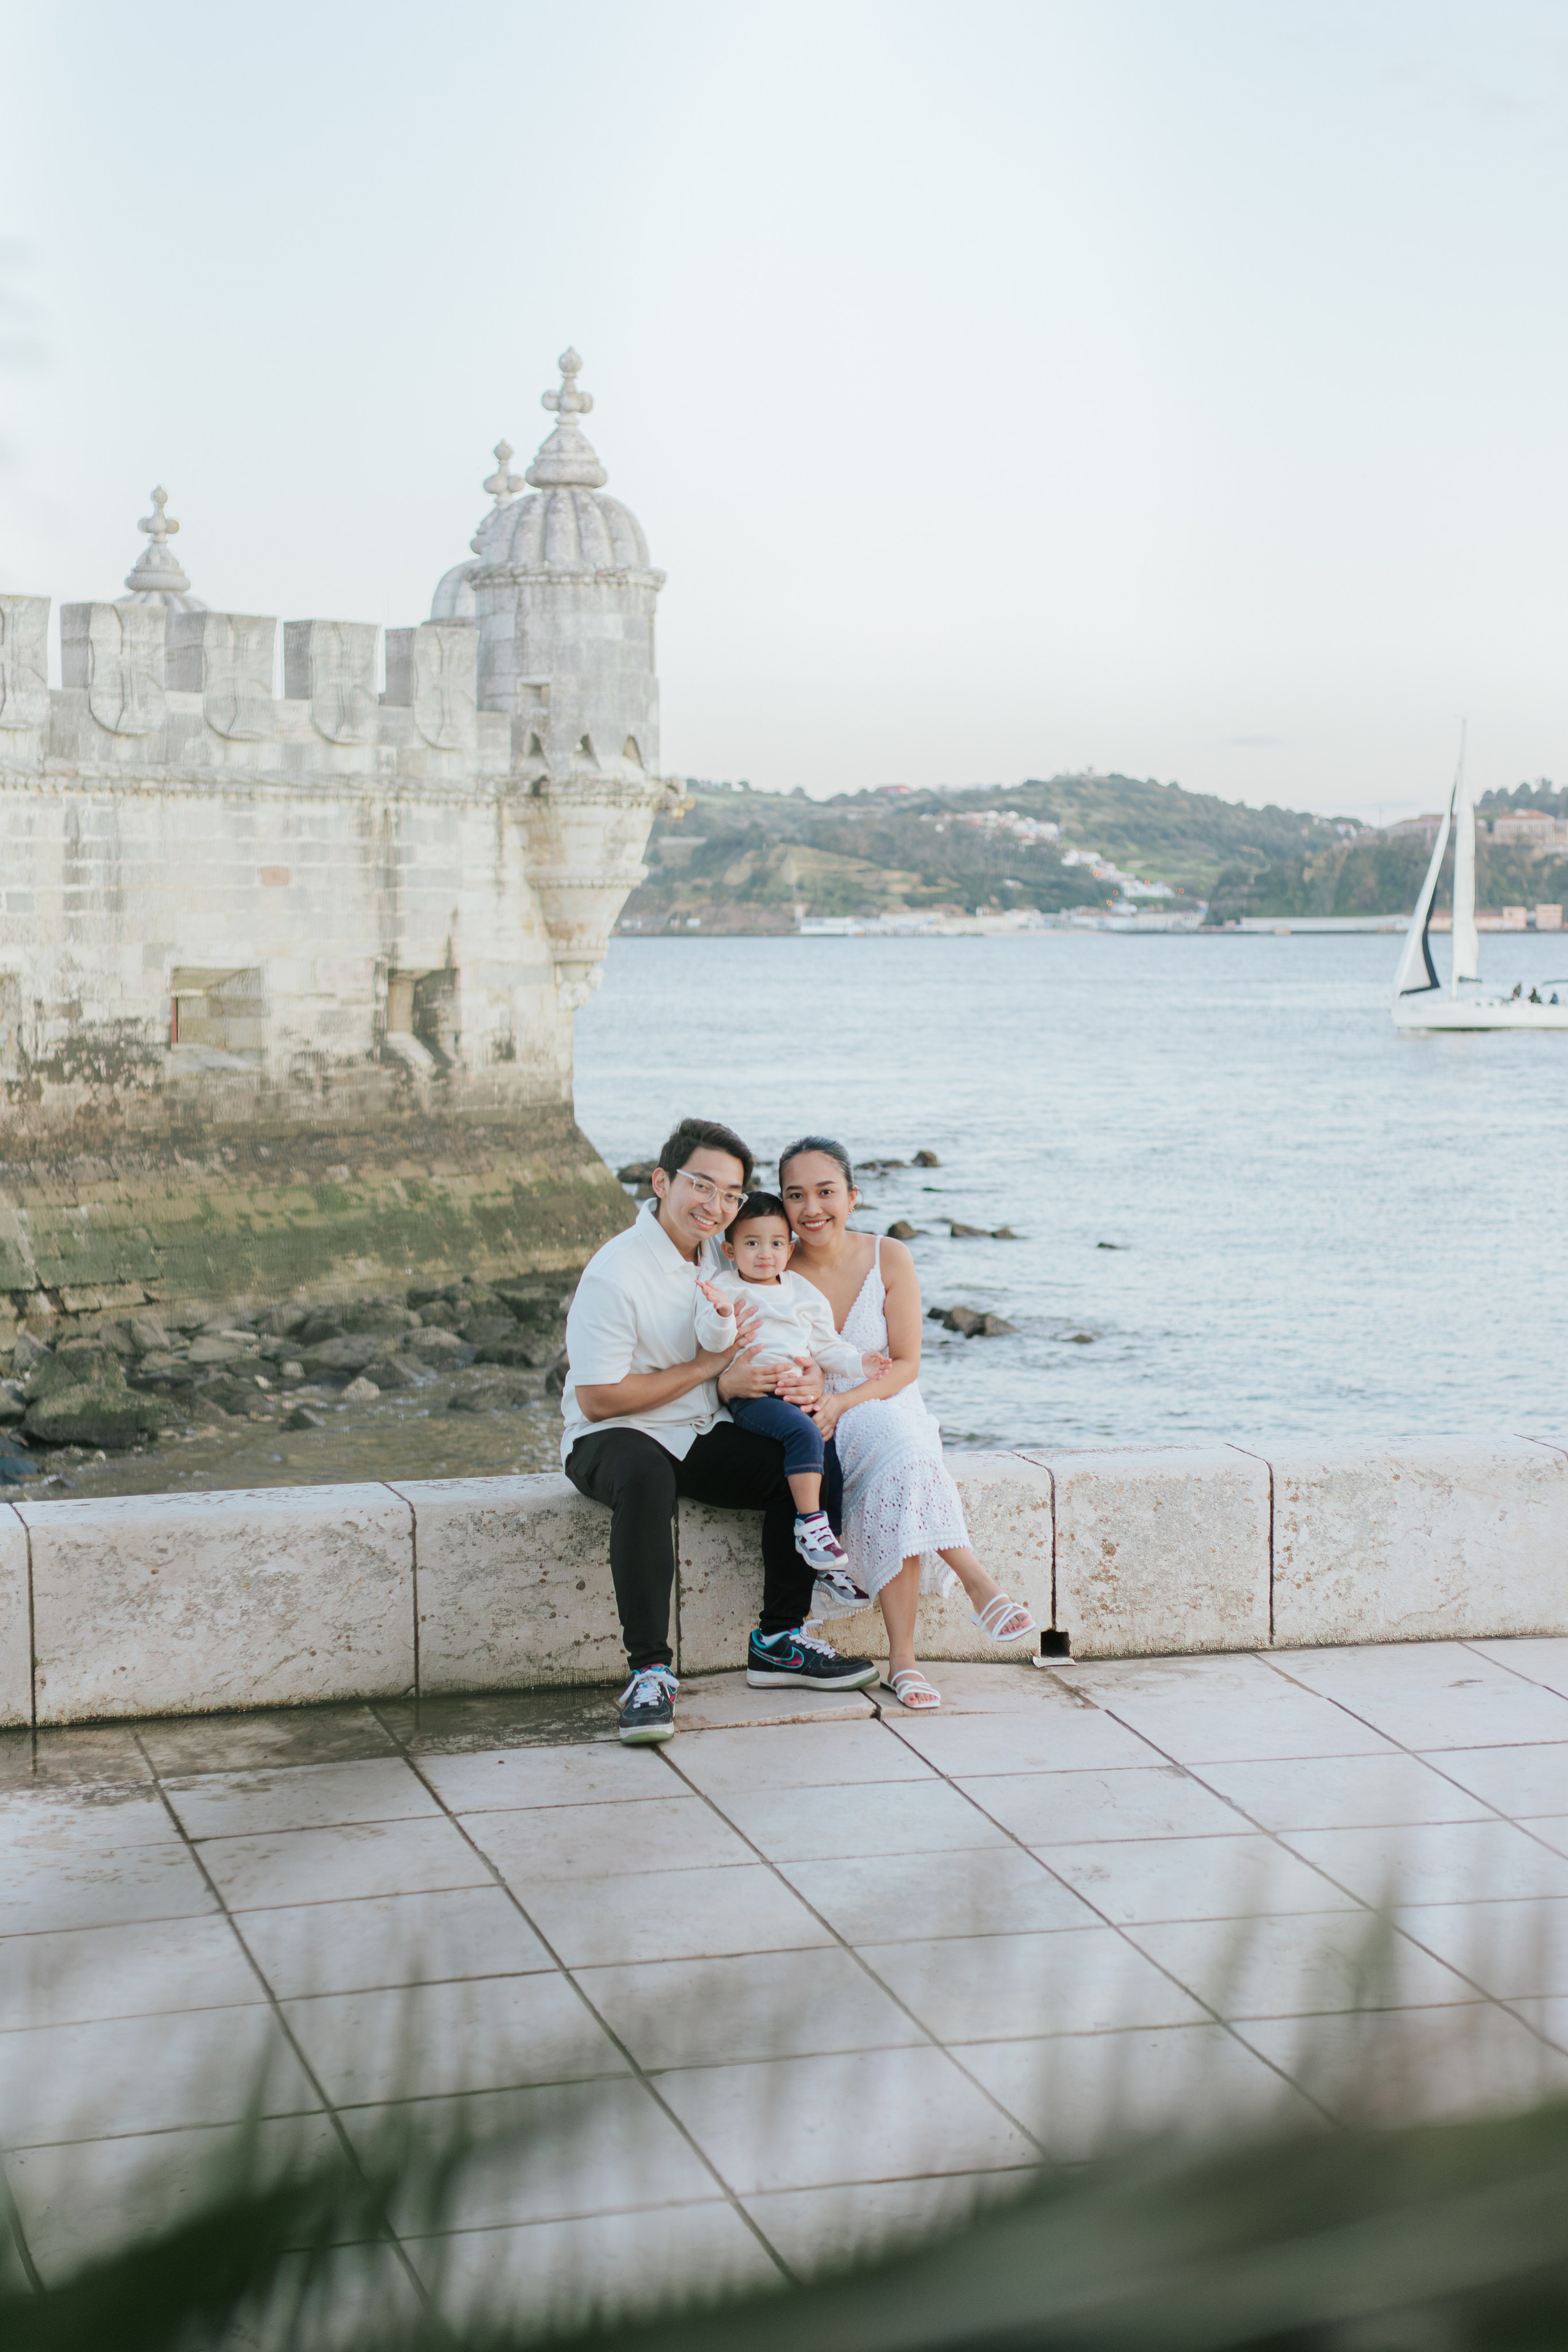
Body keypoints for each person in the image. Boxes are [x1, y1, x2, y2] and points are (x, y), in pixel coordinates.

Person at [560, 1116, 878, 1744]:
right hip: (615, 1433)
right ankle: (649, 1674)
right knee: (645, 1475)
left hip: (699, 1426)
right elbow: (598, 1399)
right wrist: (709, 1369)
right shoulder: (616, 1273)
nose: (716, 1206)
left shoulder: (720, 1250)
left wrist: (807, 1376)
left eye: (730, 1194)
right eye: (701, 1186)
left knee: (809, 1450)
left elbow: (780, 1321)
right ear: (661, 1181)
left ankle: (780, 1641)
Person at [779, 1135, 1036, 1712]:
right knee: (907, 1458)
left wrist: (849, 1402)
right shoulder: (775, 1264)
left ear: (853, 1196)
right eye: (796, 1195)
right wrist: (827, 1401)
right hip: (815, 1410)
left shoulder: (888, 1256)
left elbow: (908, 1364)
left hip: (888, 1397)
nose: (812, 1208)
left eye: (826, 1192)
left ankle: (915, 1649)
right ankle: (941, 1623)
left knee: (906, 1449)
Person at [695, 1189, 888, 1608]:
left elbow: (827, 1347)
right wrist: (723, 1315)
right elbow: (711, 1342)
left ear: (790, 1248)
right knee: (804, 1433)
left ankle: (827, 1561)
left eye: (776, 1243)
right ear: (729, 1249)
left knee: (827, 1455)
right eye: (752, 1243)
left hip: (796, 1397)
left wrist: (861, 1365)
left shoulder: (802, 1292)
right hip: (755, 1397)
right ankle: (808, 1522)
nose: (765, 1254)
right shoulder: (724, 1288)